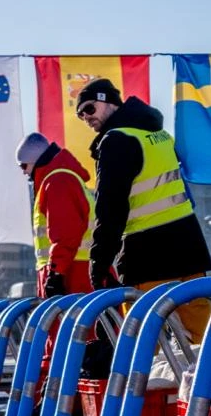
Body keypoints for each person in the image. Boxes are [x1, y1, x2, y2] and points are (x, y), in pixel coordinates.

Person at [76, 78, 211, 343]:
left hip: (148, 255)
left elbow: (110, 208)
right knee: (201, 335)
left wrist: (100, 263)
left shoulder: (117, 141)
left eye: (89, 109)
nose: (86, 118)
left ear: (108, 101)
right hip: (189, 247)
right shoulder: (158, 135)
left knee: (143, 340)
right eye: (81, 115)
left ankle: (148, 385)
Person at [16, 132, 95, 300]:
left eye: (23, 166)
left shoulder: (58, 182)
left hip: (72, 275)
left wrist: (55, 274)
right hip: (76, 271)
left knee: (72, 326)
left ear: (35, 161)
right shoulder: (61, 179)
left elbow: (65, 234)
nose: (24, 173)